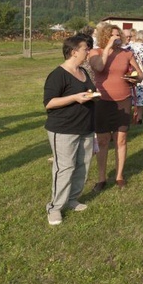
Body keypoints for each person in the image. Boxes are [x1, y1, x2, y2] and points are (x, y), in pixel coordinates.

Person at [43, 37, 96, 225]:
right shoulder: (58, 75)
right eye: (85, 49)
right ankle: (55, 207)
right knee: (65, 167)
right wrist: (75, 97)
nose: (88, 52)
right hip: (64, 128)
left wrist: (91, 96)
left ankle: (72, 199)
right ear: (74, 51)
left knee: (83, 165)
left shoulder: (82, 71)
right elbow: (49, 102)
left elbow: (89, 91)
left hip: (86, 126)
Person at [89, 24, 143, 190]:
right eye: (112, 35)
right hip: (103, 101)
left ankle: (119, 176)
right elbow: (98, 67)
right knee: (103, 140)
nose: (116, 38)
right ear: (105, 37)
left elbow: (140, 74)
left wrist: (134, 77)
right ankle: (101, 177)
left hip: (123, 99)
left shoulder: (127, 53)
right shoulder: (95, 52)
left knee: (121, 139)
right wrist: (107, 49)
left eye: (117, 35)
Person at [127, 30, 143, 124]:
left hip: (131, 73)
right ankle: (139, 118)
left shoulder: (129, 47)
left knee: (130, 94)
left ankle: (128, 116)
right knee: (141, 96)